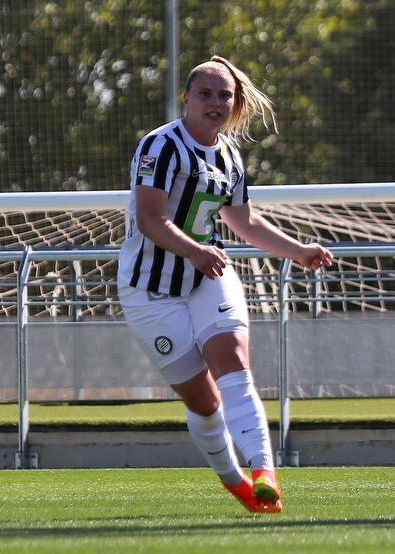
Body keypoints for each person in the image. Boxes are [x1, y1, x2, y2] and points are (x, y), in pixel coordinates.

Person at [117, 56, 334, 514]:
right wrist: (193, 248)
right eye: (206, 94)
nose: (215, 103)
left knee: (234, 362)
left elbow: (243, 221)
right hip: (149, 291)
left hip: (206, 277)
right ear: (187, 98)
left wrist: (297, 250)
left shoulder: (230, 155)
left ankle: (264, 473)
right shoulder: (160, 146)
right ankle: (234, 480)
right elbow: (149, 218)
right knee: (204, 399)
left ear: (234, 104)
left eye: (224, 96)